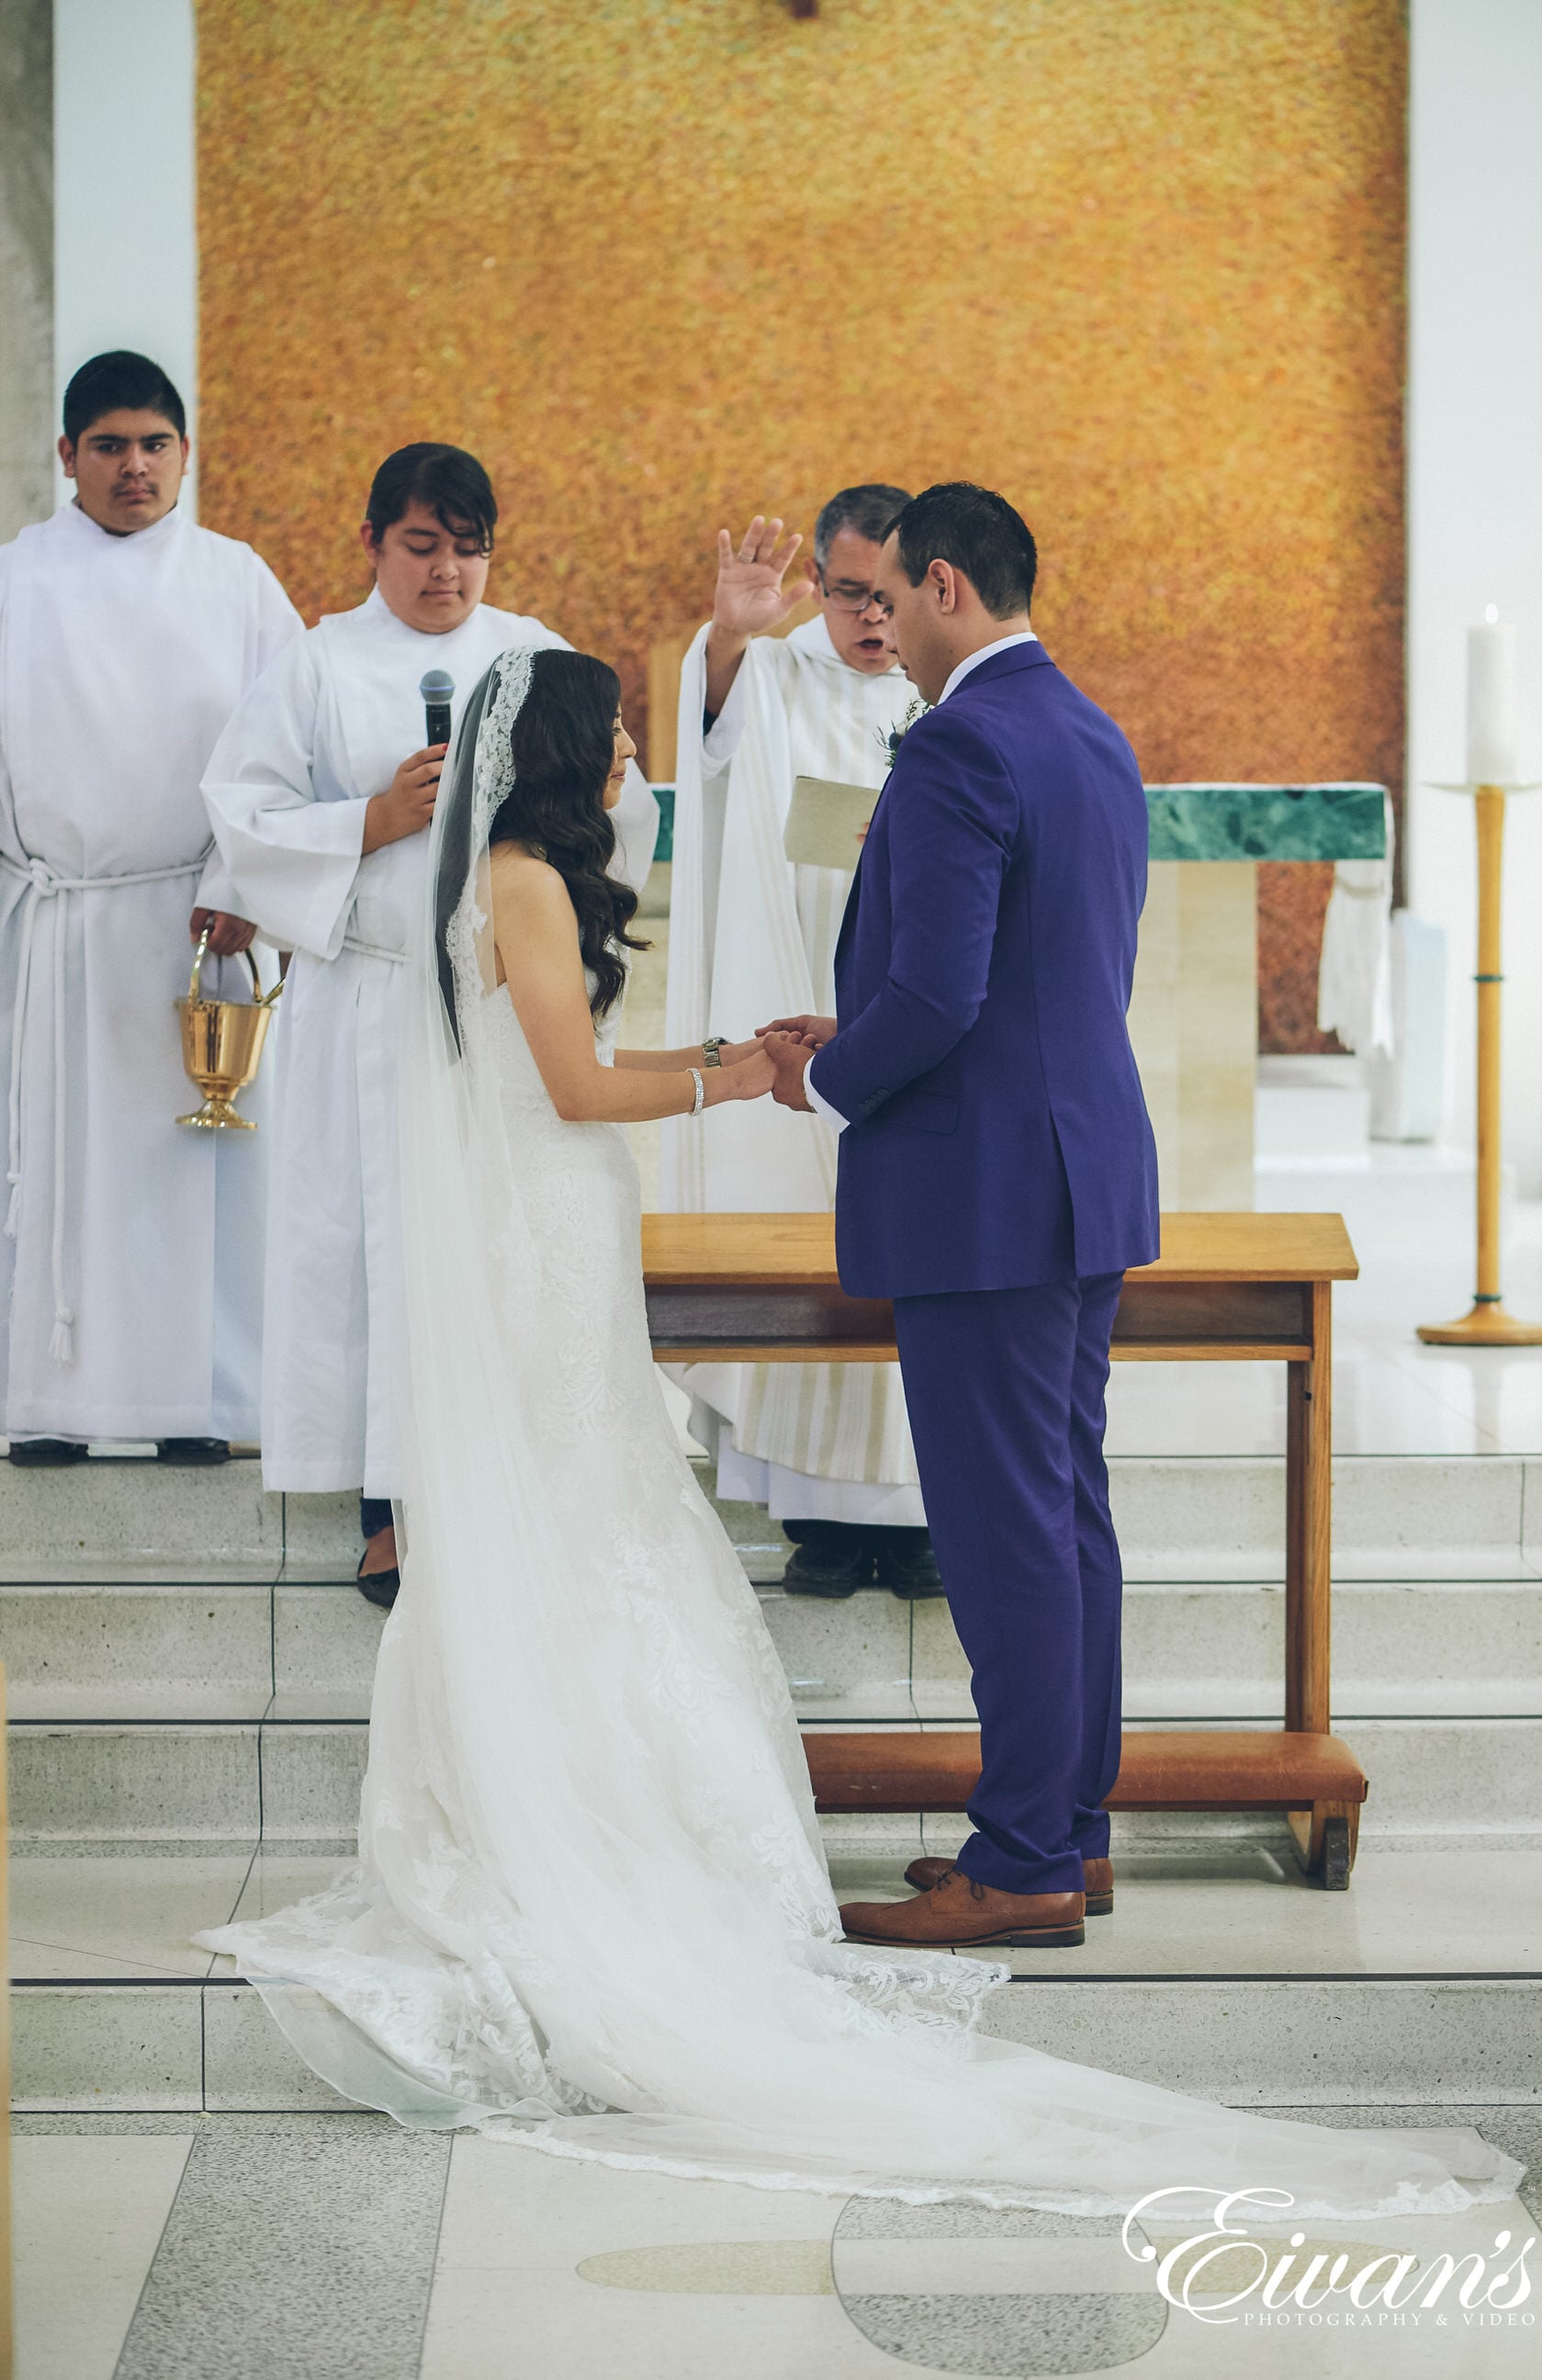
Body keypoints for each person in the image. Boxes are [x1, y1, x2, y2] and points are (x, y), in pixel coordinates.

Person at [201, 638, 1519, 2224]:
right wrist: (738, 1069)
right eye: (616, 736)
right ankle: (590, 1835)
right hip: (544, 1222)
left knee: (597, 1506)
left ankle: (619, 1814)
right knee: (586, 1507)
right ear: (560, 752)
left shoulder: (526, 870)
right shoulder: (524, 880)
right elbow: (569, 1084)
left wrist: (755, 1065)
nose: (633, 755)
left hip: (551, 1226)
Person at [760, 483, 1157, 1951]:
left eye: (884, 595)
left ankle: (1020, 1863)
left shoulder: (955, 746)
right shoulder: (1086, 731)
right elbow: (1047, 968)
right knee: (1063, 1518)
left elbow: (937, 994)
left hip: (984, 1194)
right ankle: (1068, 1828)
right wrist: (858, 1025)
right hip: (1076, 1173)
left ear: (942, 585)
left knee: (1002, 1535)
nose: (876, 624)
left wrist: (832, 1074)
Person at [202, 444, 658, 1604]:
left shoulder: (534, 651)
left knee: (482, 1247)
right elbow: (243, 820)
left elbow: (622, 802)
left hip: (493, 1017)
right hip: (366, 1001)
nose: (446, 569)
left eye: (468, 546)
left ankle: (493, 1485)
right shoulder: (317, 662)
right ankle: (387, 1506)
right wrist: (368, 817)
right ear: (372, 544)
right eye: (420, 544)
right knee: (374, 1250)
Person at [0, 350, 301, 1464]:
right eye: (111, 446)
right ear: (68, 456)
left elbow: (284, 751)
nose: (136, 467)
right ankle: (48, 1401)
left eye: (156, 445)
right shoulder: (15, 582)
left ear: (186, 455)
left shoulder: (237, 582)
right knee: (53, 1160)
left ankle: (197, 1403)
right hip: (59, 926)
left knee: (193, 1169)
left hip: (197, 926)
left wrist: (238, 887)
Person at [664, 488, 940, 1599]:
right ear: (816, 586)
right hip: (799, 985)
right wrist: (731, 632)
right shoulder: (778, 673)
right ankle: (818, 1519)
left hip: (912, 1009)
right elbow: (717, 732)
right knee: (802, 1232)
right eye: (847, 595)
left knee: (915, 1242)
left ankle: (916, 1517)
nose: (872, 620)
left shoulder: (947, 689)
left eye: (890, 595)